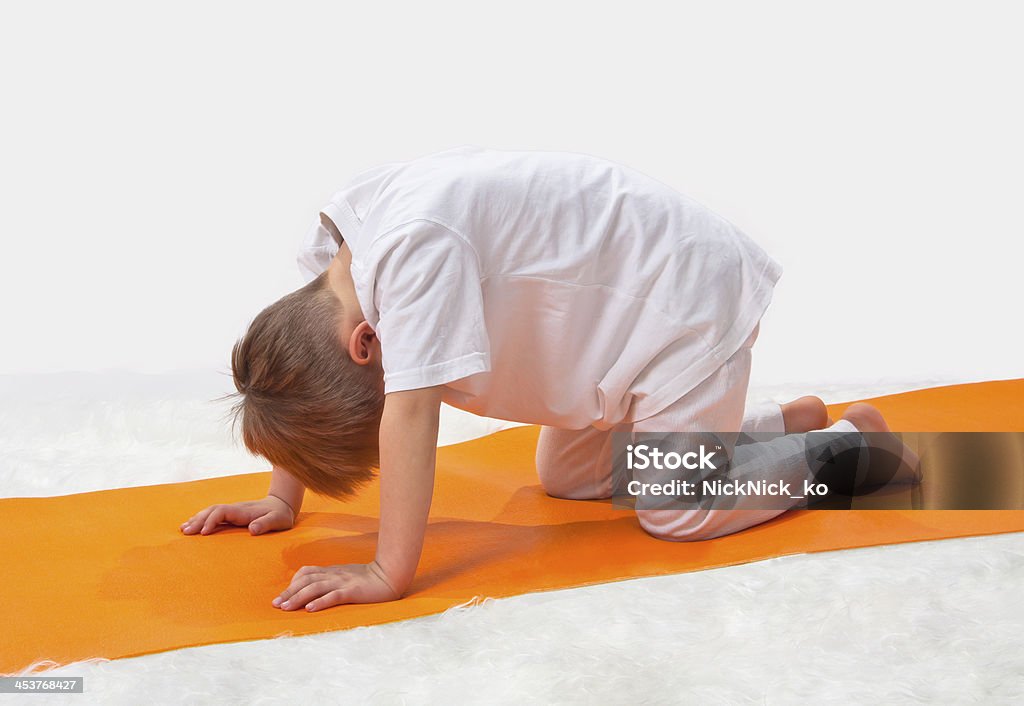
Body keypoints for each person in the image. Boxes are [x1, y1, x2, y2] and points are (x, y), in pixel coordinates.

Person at [180, 145, 919, 612]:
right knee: (567, 475)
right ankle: (771, 425)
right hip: (611, 344)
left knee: (673, 509)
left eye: (372, 398)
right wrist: (285, 492)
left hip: (682, 309)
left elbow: (410, 415)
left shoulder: (414, 257)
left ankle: (851, 450)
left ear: (370, 346)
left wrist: (387, 572)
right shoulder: (343, 253)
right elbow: (297, 365)